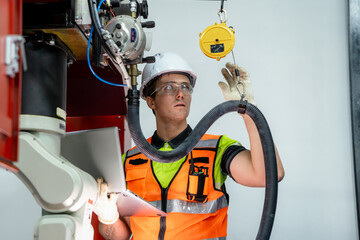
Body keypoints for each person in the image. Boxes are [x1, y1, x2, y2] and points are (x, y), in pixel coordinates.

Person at [93, 52, 285, 240]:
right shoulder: (131, 161)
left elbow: (269, 175)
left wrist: (250, 110)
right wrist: (108, 217)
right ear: (151, 101)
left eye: (185, 87)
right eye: (169, 88)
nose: (180, 94)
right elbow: (120, 236)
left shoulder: (215, 148)